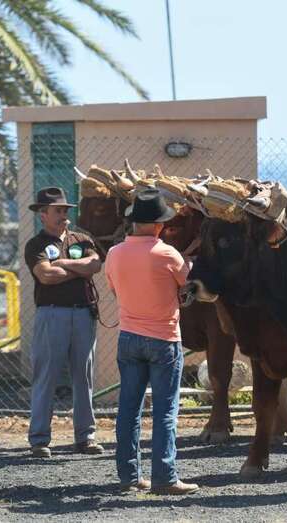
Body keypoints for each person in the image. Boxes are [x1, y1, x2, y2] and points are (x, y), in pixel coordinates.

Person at [105, 188, 199, 495]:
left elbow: (115, 290)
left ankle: (129, 476)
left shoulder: (114, 254)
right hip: (163, 339)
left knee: (129, 410)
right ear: (159, 225)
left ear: (133, 221)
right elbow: (188, 284)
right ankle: (165, 478)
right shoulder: (167, 254)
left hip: (129, 337)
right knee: (165, 411)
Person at [24, 186, 104, 458]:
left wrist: (64, 263)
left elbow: (95, 265)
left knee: (84, 377)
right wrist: (77, 270)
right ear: (42, 214)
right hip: (52, 313)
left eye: (65, 210)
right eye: (58, 211)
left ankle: (86, 437)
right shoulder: (35, 245)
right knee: (46, 375)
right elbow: (45, 276)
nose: (64, 215)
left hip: (83, 313)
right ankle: (39, 440)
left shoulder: (81, 238)